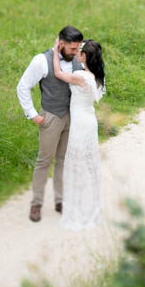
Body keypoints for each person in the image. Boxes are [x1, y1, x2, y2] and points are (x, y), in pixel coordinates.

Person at [16, 25, 84, 222]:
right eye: (72, 48)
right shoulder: (41, 61)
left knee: (63, 160)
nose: (75, 52)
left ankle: (60, 201)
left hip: (72, 117)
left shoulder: (78, 58)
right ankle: (36, 204)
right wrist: (32, 114)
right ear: (61, 44)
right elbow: (23, 86)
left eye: (78, 48)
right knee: (44, 161)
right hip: (51, 116)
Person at [52, 36, 105, 231]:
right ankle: (89, 202)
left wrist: (55, 52)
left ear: (84, 57)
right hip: (90, 121)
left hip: (80, 123)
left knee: (76, 162)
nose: (76, 54)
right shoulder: (97, 77)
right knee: (88, 162)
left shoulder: (80, 76)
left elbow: (58, 73)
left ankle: (79, 205)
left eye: (79, 52)